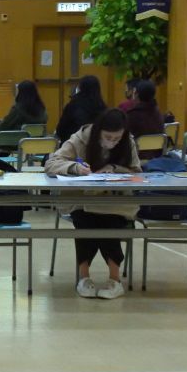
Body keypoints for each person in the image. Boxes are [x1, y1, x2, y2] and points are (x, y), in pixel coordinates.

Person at [46, 108, 141, 299]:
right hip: (81, 199)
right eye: (108, 137)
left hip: (116, 200)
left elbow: (136, 171)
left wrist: (115, 168)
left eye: (116, 138)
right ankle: (84, 278)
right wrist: (75, 168)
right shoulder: (80, 138)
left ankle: (114, 280)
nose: (112, 142)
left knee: (111, 220)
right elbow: (51, 163)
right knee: (85, 219)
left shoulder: (127, 141)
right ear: (98, 131)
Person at [55, 74, 106, 143]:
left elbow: (60, 130)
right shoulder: (103, 107)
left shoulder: (73, 105)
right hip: (96, 145)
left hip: (73, 144)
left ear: (80, 87)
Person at [124, 80, 165, 157]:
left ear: (137, 95)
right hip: (157, 156)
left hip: (137, 156)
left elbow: (125, 138)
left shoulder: (132, 115)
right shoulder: (158, 113)